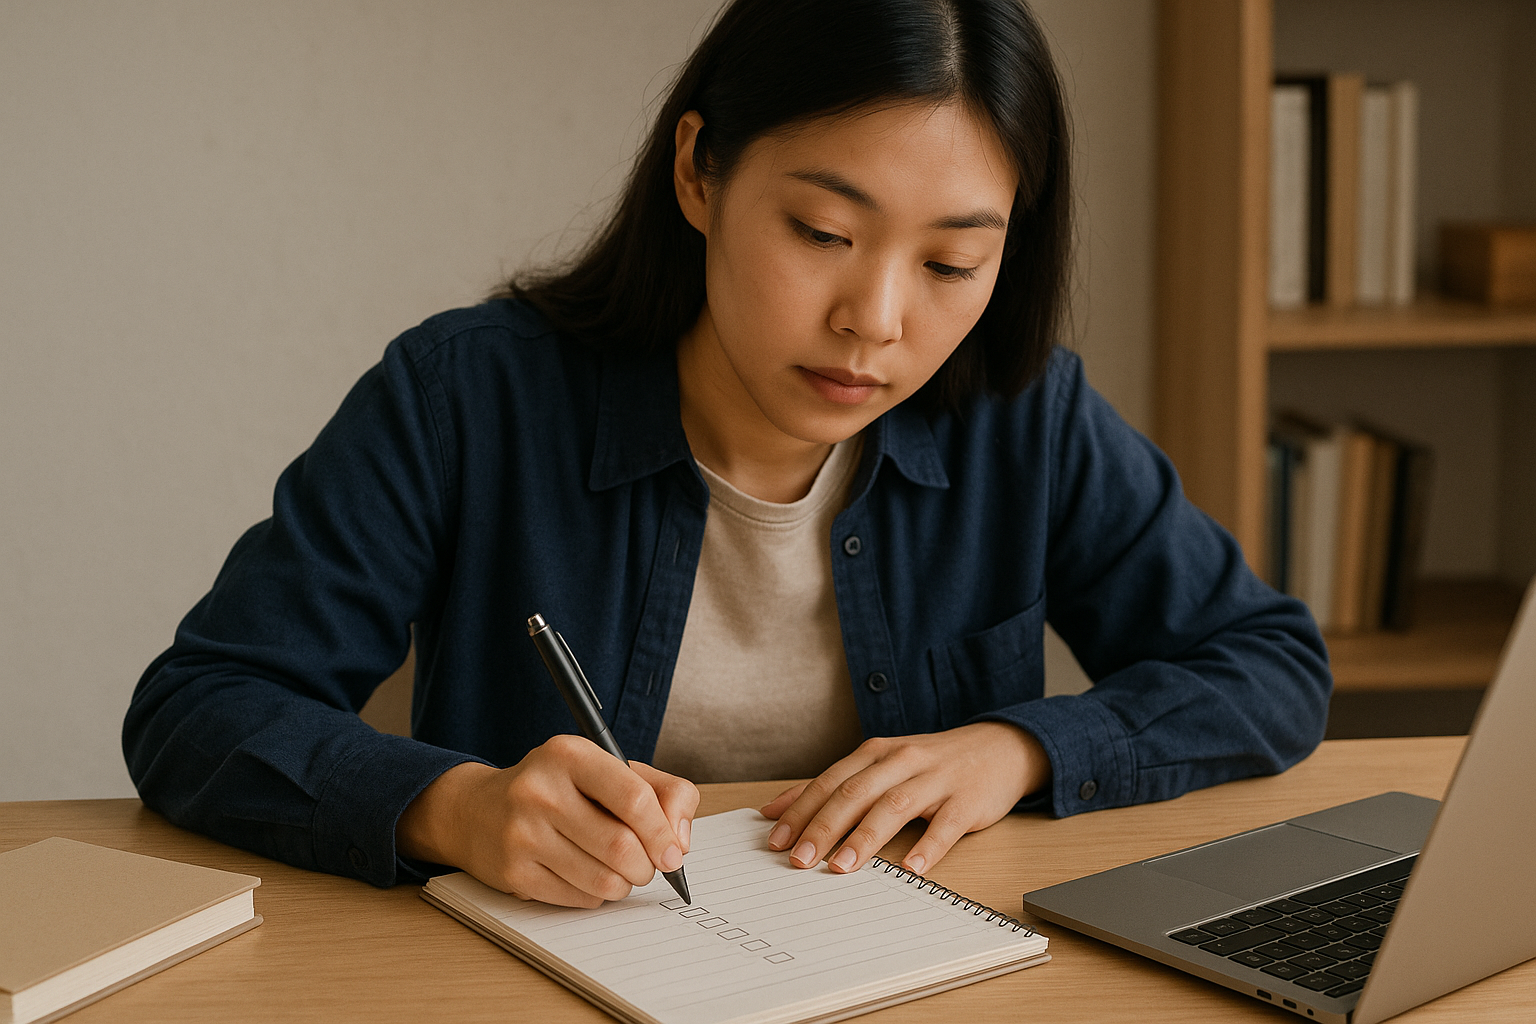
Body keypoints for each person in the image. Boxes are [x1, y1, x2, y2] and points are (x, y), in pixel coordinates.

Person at [123, 0, 1331, 910]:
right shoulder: (469, 398)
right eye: (822, 231)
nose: (876, 320)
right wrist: (456, 807)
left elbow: (1270, 663)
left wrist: (1019, 747)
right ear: (699, 171)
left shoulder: (1024, 417)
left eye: (951, 262)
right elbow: (200, 707)